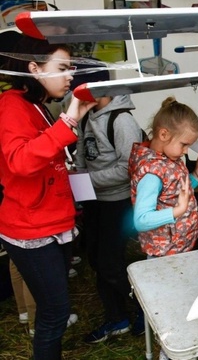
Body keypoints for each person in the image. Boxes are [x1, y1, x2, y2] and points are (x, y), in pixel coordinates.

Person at [0, 34, 96, 359]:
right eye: (63, 67)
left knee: (54, 309)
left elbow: (48, 157)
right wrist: (68, 120)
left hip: (52, 221)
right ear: (34, 69)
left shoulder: (37, 105)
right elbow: (20, 160)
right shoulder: (11, 105)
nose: (70, 75)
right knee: (55, 312)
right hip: (31, 228)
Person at [73, 64, 146, 343]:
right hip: (95, 201)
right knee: (97, 259)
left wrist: (87, 180)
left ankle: (141, 310)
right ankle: (117, 317)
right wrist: (79, 182)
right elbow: (81, 155)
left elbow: (128, 168)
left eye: (79, 90)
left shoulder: (121, 120)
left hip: (118, 202)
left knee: (112, 261)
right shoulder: (85, 117)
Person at [129, 97, 198, 257]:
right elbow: (141, 220)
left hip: (178, 247)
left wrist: (197, 174)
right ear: (164, 134)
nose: (186, 151)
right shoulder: (152, 173)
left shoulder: (170, 158)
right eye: (184, 144)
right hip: (163, 254)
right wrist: (178, 210)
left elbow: (174, 193)